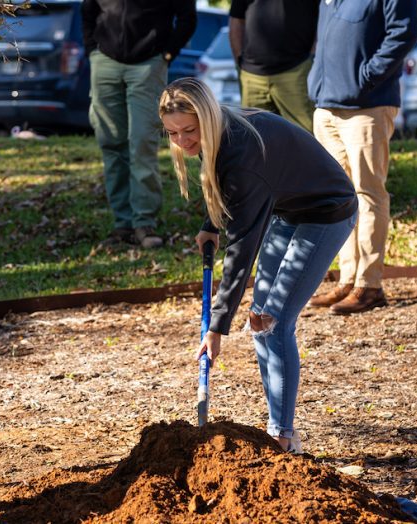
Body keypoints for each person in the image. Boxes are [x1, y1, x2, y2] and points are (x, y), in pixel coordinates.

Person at [159, 78, 357, 452]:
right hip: (288, 210)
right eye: (172, 133)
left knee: (274, 321)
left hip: (328, 212)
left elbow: (242, 251)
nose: (182, 140)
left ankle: (282, 435)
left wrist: (216, 328)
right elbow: (225, 190)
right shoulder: (215, 135)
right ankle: (278, 425)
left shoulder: (241, 153)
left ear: (208, 117)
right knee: (260, 319)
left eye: (189, 130)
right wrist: (211, 225)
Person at [306, 0, 417, 315]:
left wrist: (367, 76)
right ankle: (348, 279)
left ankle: (369, 285)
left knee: (368, 194)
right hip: (326, 105)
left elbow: (404, 34)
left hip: (367, 107)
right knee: (339, 197)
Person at [81, 0, 197, 249]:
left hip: (148, 64)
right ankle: (123, 224)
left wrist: (166, 54)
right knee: (111, 143)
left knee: (143, 141)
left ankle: (144, 222)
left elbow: (187, 18)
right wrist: (92, 49)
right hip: (105, 61)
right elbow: (88, 10)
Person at [228, 0, 318, 132]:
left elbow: (323, 18)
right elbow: (236, 20)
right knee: (255, 138)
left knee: (303, 137)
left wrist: (311, 57)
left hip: (296, 70)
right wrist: (240, 62)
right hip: (251, 75)